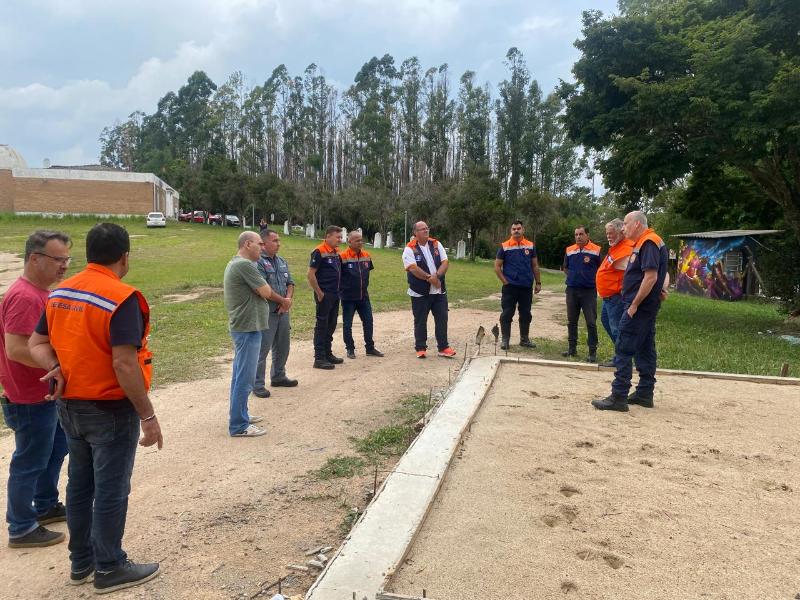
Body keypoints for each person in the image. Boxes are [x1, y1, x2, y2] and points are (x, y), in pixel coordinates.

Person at [28, 223, 163, 593]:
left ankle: (81, 561)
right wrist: (148, 416)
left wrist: (51, 367)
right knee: (111, 489)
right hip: (109, 409)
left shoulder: (59, 293)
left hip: (70, 408)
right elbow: (124, 363)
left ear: (88, 254)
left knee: (80, 485)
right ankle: (109, 567)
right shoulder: (122, 297)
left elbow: (36, 342)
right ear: (124, 256)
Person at [1, 231, 71, 549]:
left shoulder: (40, 292)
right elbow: (15, 349)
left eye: (67, 259)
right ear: (35, 259)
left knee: (55, 450)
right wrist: (55, 365)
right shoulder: (25, 296)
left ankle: (44, 505)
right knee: (29, 460)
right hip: (29, 396)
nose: (64, 266)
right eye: (58, 260)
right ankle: (20, 526)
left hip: (45, 393)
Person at [592, 211, 669, 412]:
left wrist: (634, 304)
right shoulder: (645, 242)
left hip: (638, 307)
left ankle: (619, 396)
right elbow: (657, 273)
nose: (623, 228)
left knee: (624, 347)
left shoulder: (649, 242)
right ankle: (644, 393)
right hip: (644, 306)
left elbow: (651, 276)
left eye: (625, 224)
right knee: (644, 348)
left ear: (636, 224)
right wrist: (662, 287)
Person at [224, 231, 288, 436]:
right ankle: (239, 426)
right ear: (248, 244)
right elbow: (267, 292)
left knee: (240, 375)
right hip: (247, 328)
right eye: (260, 244)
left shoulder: (241, 264)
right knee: (245, 377)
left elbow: (262, 290)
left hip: (247, 327)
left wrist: (260, 289)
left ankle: (240, 414)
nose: (262, 247)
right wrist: (261, 289)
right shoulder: (243, 265)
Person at [252, 229, 297, 397]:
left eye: (279, 240)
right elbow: (262, 289)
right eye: (275, 240)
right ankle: (257, 384)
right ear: (263, 243)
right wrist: (282, 301)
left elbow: (290, 283)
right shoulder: (258, 263)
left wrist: (288, 300)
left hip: (283, 311)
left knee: (283, 346)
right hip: (267, 313)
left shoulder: (282, 261)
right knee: (262, 350)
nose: (278, 244)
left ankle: (278, 375)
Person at [402, 222, 456, 359]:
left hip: (439, 291)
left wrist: (437, 276)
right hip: (420, 292)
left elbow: (445, 262)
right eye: (422, 229)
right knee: (420, 320)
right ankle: (420, 348)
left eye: (427, 228)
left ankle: (443, 347)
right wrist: (429, 278)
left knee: (442, 319)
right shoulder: (409, 249)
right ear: (415, 233)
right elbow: (412, 268)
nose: (426, 231)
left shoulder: (436, 244)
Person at [494, 220, 542, 350]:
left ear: (523, 230)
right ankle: (505, 340)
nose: (516, 231)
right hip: (510, 287)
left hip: (526, 286)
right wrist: (505, 281)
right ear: (511, 231)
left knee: (526, 313)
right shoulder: (505, 246)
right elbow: (497, 266)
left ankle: (524, 339)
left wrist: (538, 282)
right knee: (507, 313)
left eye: (518, 228)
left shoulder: (530, 246)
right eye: (514, 229)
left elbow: (535, 265)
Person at [595, 218, 635, 366]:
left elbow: (633, 271)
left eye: (611, 233)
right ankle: (621, 355)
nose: (609, 236)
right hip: (608, 297)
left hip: (616, 297)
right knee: (606, 322)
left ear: (621, 231)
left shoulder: (626, 247)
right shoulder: (616, 247)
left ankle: (624, 359)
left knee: (617, 328)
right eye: (607, 233)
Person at [340, 230, 384, 359]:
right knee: (347, 324)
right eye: (357, 240)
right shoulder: (342, 257)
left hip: (364, 296)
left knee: (369, 321)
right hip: (348, 297)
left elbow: (367, 270)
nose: (361, 242)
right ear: (350, 241)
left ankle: (370, 348)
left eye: (361, 240)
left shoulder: (366, 255)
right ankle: (350, 349)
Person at [561, 225, 602, 362]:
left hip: (588, 291)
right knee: (571, 321)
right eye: (576, 234)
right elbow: (566, 268)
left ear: (587, 235)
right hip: (572, 290)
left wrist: (589, 279)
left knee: (590, 322)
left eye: (581, 234)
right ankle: (572, 349)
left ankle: (592, 352)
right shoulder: (569, 250)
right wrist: (574, 277)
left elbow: (601, 270)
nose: (578, 237)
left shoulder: (596, 250)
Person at [307, 226, 343, 369]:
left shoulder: (335, 252)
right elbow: (310, 275)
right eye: (337, 237)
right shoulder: (319, 251)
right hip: (325, 294)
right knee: (322, 325)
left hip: (335, 294)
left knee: (332, 324)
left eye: (341, 237)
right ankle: (319, 358)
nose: (340, 240)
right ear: (328, 236)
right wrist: (319, 293)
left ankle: (328, 353)